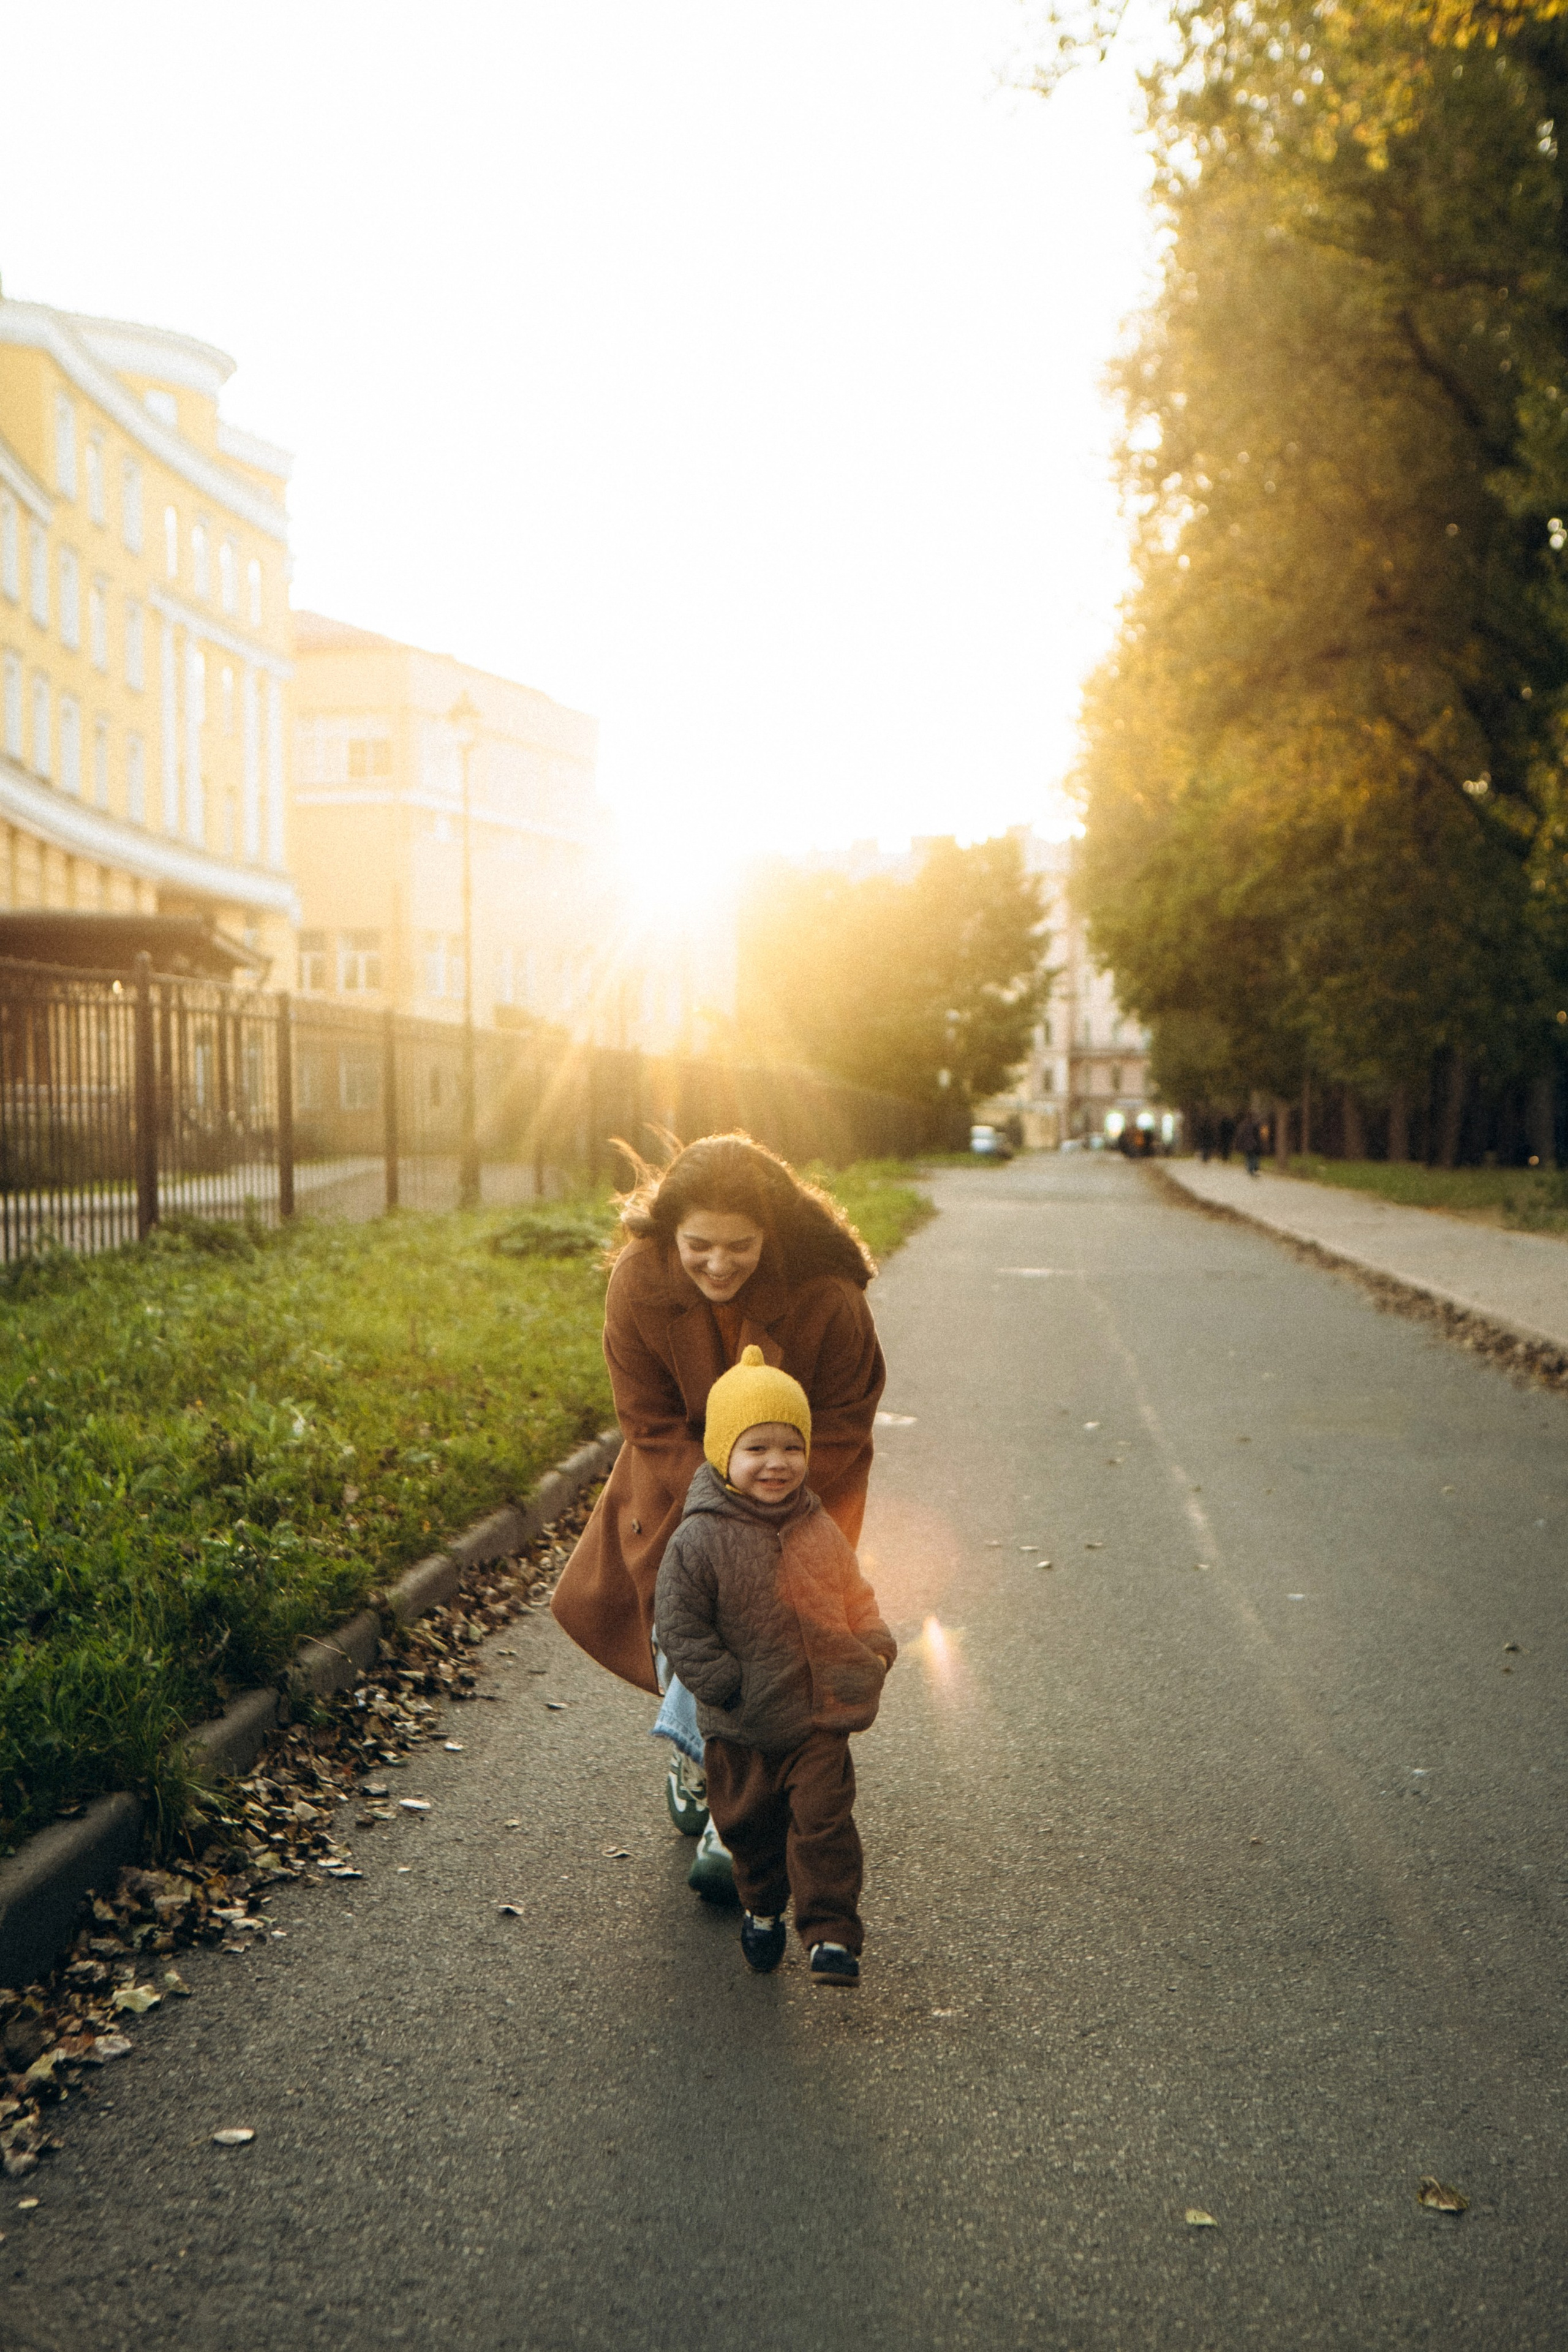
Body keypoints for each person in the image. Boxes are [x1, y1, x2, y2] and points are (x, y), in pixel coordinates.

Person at [550, 1133, 886, 1901]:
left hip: (805, 1488)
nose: (718, 1263)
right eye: (698, 1245)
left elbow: (843, 1423)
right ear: (670, 1233)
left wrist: (772, 1496)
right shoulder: (638, 1281)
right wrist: (721, 1501)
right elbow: (647, 1419)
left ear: (772, 1235)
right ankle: (696, 1751)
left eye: (739, 1246)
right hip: (675, 1486)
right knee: (685, 1622)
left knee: (774, 1639)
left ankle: (733, 1812)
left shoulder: (827, 1296)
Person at [653, 1346, 896, 1985]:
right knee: (751, 1834)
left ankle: (831, 1936)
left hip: (818, 1717)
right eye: (756, 1448)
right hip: (741, 1726)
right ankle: (762, 1909)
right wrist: (723, 1685)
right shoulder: (698, 1538)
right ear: (722, 1455)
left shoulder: (818, 1526)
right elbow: (679, 1625)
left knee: (824, 1823)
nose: (776, 1464)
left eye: (791, 1448)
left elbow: (854, 1594)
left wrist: (874, 1644)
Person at [1235, 1108, 1263, 1176]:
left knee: (1248, 1156)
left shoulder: (1244, 1125)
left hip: (1246, 1144)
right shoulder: (1255, 1125)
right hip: (1253, 1144)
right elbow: (1257, 1135)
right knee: (1254, 1156)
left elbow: (1241, 1135)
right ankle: (1252, 1169)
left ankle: (1249, 1169)